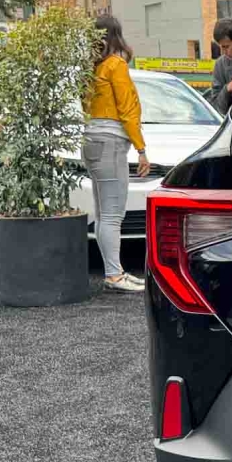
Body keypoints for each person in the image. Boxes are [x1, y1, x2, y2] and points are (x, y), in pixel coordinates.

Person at [85, 15, 150, 293]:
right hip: (111, 143)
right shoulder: (116, 65)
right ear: (116, 35)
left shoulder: (91, 67)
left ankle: (115, 272)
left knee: (103, 214)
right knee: (113, 215)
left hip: (91, 140)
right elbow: (126, 109)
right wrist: (141, 148)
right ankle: (114, 275)